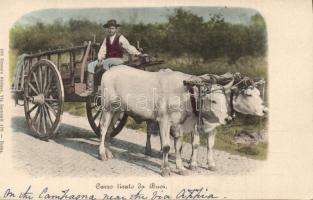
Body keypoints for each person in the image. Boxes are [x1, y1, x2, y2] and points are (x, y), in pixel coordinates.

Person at [80, 19, 142, 97]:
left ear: (115, 29)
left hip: (118, 60)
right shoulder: (106, 39)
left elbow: (128, 47)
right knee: (90, 65)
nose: (110, 30)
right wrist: (99, 59)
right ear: (107, 29)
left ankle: (106, 87)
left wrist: (138, 53)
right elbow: (102, 50)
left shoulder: (120, 38)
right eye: (109, 28)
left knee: (106, 63)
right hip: (107, 59)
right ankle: (90, 89)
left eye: (112, 28)